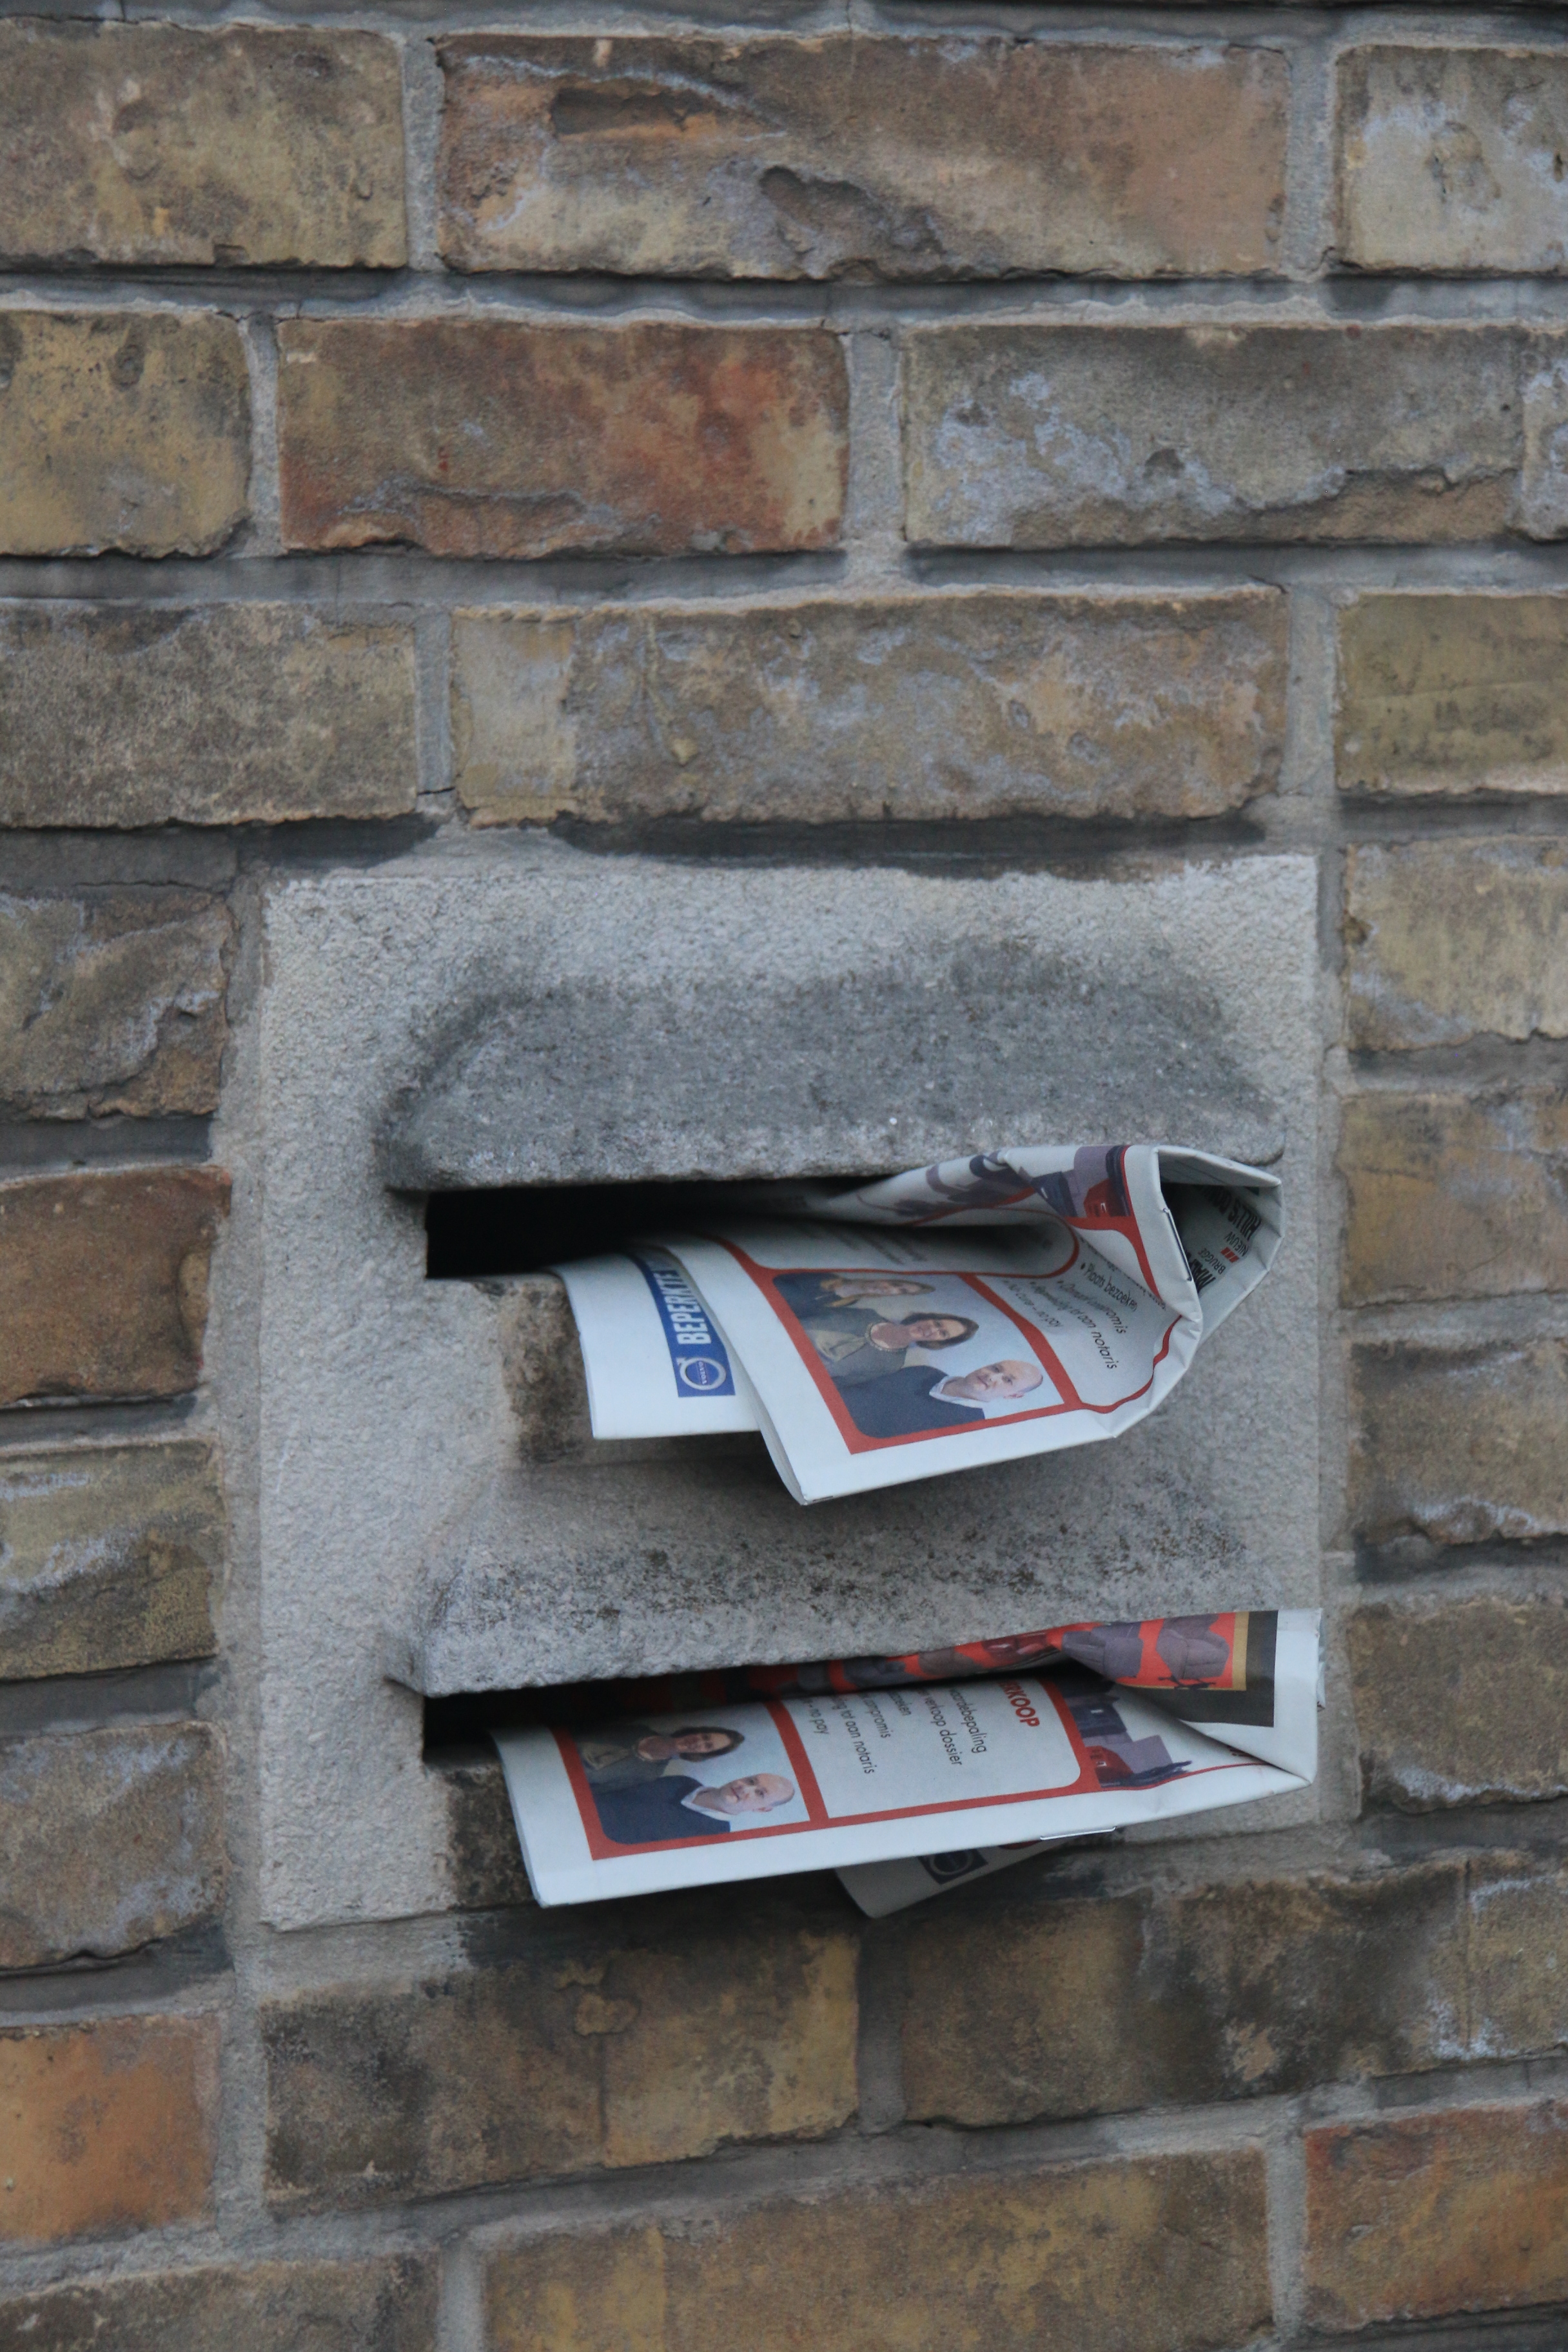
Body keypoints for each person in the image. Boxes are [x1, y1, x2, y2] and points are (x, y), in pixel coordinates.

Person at [840, 1358, 1044, 1439]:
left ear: (1013, 1395)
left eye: (1008, 1380)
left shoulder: (970, 1429)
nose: (992, 1376)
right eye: (996, 1368)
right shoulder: (925, 1371)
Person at [592, 1770, 796, 1846]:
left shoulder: (714, 1840)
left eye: (760, 1793)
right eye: (751, 1780)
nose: (745, 1788)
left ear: (762, 1810)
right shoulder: (683, 1781)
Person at [804, 1310, 979, 1387]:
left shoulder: (891, 1365)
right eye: (937, 1323)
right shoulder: (867, 1315)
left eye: (942, 1333)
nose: (932, 1329)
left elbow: (835, 1385)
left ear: (939, 1343)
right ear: (928, 1317)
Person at [574, 1722, 745, 1792]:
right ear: (698, 1731)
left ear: (701, 1755)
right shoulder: (638, 1729)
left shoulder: (650, 1774)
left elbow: (594, 1791)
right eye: (705, 1736)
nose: (699, 1742)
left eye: (707, 1746)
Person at [774, 1273, 935, 1318]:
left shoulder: (851, 1302)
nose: (891, 1290)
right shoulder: (829, 1276)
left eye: (902, 1292)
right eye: (896, 1285)